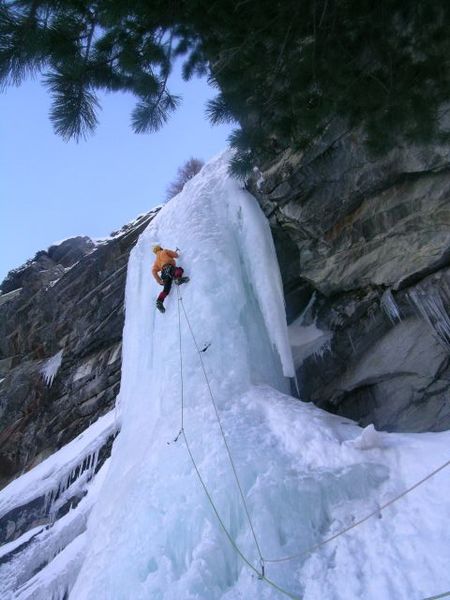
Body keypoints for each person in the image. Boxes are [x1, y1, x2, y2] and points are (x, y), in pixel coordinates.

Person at [152, 244, 189, 313]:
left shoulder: (156, 261)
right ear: (160, 248)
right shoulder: (164, 251)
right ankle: (178, 279)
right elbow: (175, 255)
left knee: (166, 290)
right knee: (179, 270)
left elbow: (153, 271)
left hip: (163, 274)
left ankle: (159, 301)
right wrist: (177, 255)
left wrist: (159, 280)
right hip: (169, 267)